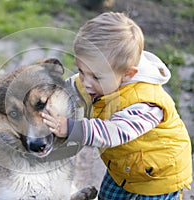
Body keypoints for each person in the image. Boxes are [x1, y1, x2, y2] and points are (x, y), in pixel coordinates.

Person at [41, 12, 192, 199]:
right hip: (124, 168)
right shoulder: (97, 79)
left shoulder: (145, 102)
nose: (86, 82)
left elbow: (114, 133)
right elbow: (71, 88)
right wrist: (49, 97)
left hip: (158, 178)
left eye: (96, 76)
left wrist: (71, 128)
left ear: (128, 74)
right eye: (81, 70)